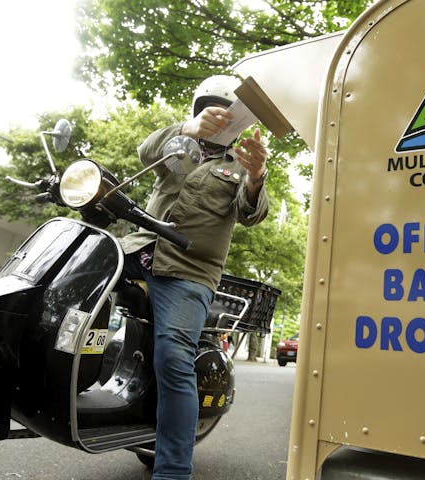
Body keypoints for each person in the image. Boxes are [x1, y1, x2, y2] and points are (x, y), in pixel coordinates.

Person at [119, 74, 269, 480]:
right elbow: (144, 150)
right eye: (209, 108)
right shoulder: (178, 142)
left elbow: (252, 213)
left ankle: (172, 472)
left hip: (189, 270)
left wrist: (256, 176)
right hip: (138, 249)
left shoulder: (238, 164)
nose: (219, 117)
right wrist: (185, 128)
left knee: (173, 357)